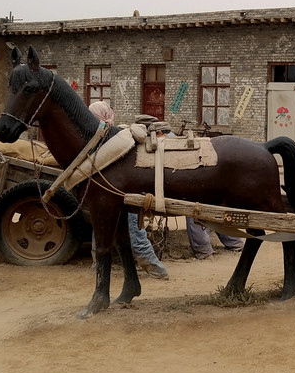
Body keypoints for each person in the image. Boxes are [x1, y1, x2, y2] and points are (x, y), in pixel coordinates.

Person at [140, 118, 244, 260]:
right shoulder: (179, 140)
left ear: (157, 133)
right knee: (214, 210)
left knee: (194, 211)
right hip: (207, 181)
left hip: (191, 187)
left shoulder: (161, 145)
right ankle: (235, 243)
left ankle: (203, 251)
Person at [88, 102, 169, 279]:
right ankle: (156, 270)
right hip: (120, 190)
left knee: (106, 225)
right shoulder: (111, 134)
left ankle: (98, 262)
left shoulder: (100, 134)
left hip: (113, 190)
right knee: (131, 229)